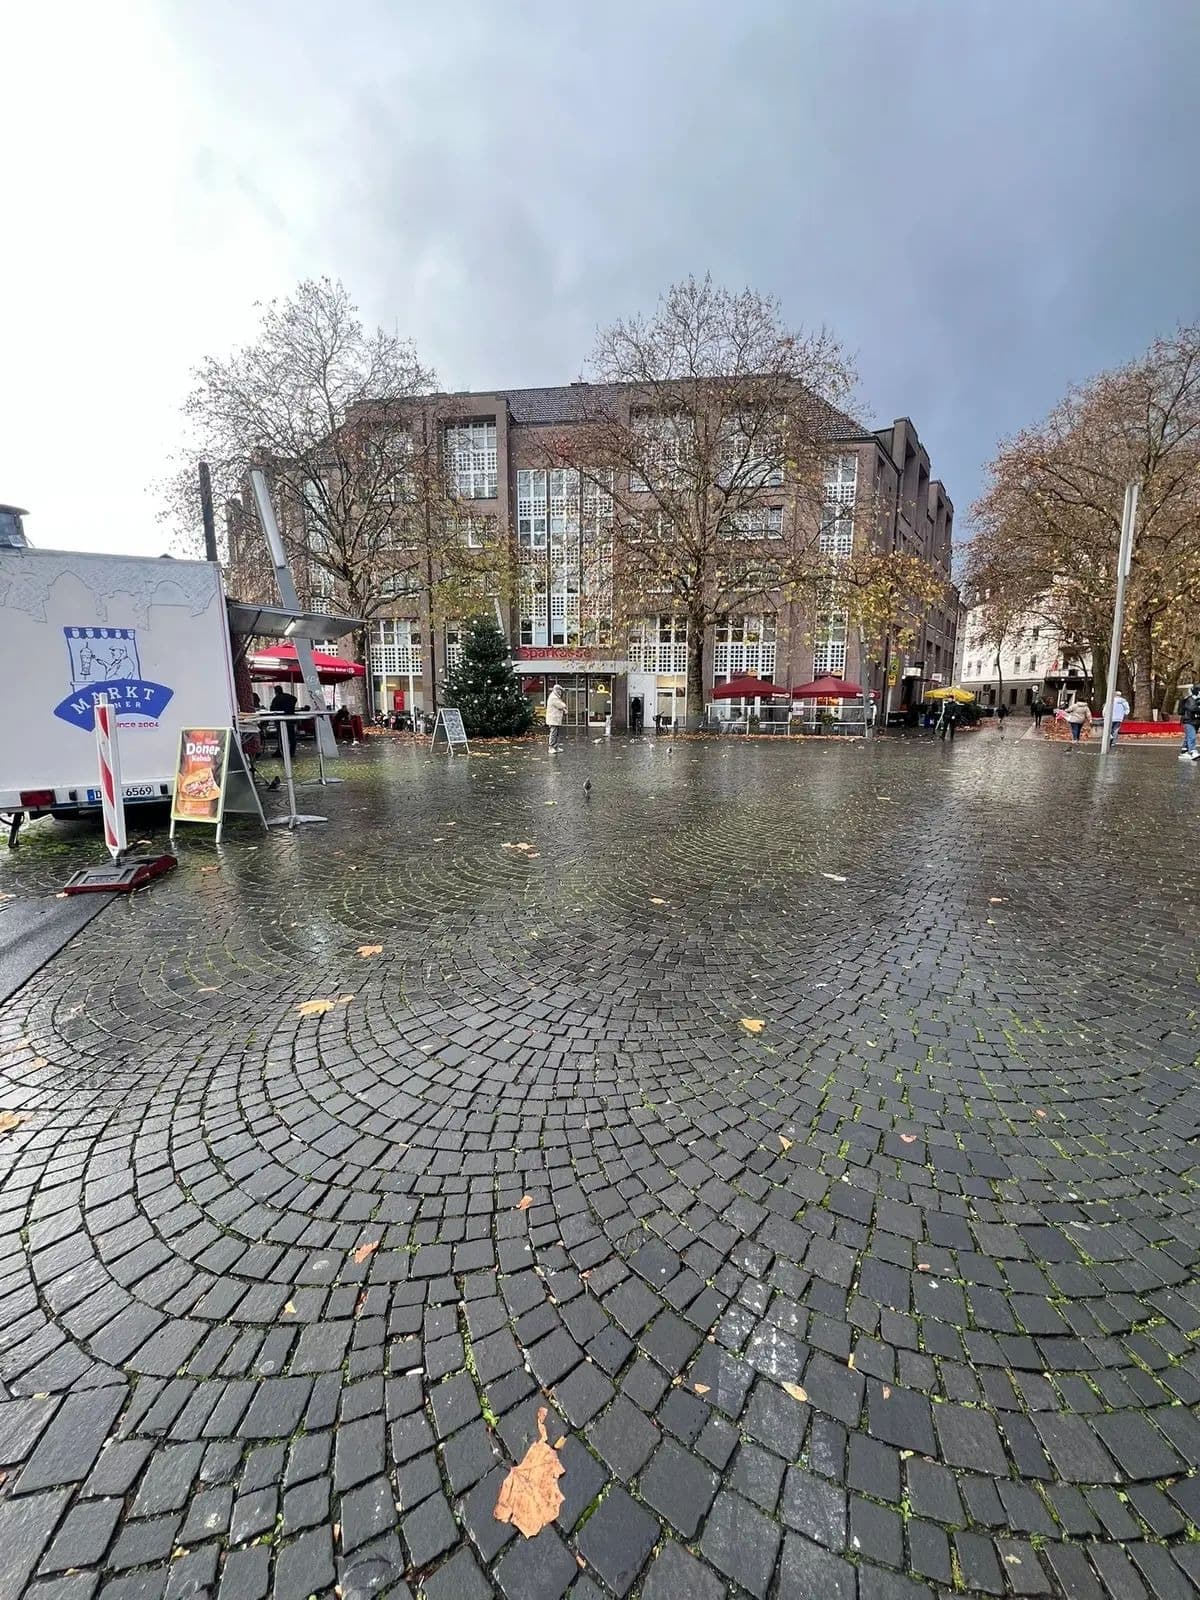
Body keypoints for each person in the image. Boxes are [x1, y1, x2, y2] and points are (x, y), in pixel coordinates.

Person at [269, 684, 298, 754]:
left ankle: (281, 751)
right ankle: (292, 751)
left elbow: (272, 709)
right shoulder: (289, 696)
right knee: (291, 736)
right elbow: (295, 699)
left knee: (281, 736)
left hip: (280, 720)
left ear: (275, 691)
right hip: (290, 718)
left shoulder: (276, 699)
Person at [1179, 683, 1200, 760]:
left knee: (1189, 736)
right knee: (1192, 736)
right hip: (1189, 721)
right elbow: (1193, 708)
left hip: (1195, 721)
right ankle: (1192, 751)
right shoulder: (1190, 699)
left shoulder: (1197, 700)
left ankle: (1184, 750)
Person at [546, 683, 567, 753]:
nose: (560, 692)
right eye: (560, 690)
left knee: (557, 733)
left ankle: (555, 746)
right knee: (553, 733)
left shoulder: (556, 697)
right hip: (553, 719)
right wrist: (564, 706)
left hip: (556, 719)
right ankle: (551, 747)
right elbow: (561, 705)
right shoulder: (553, 697)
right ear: (556, 690)